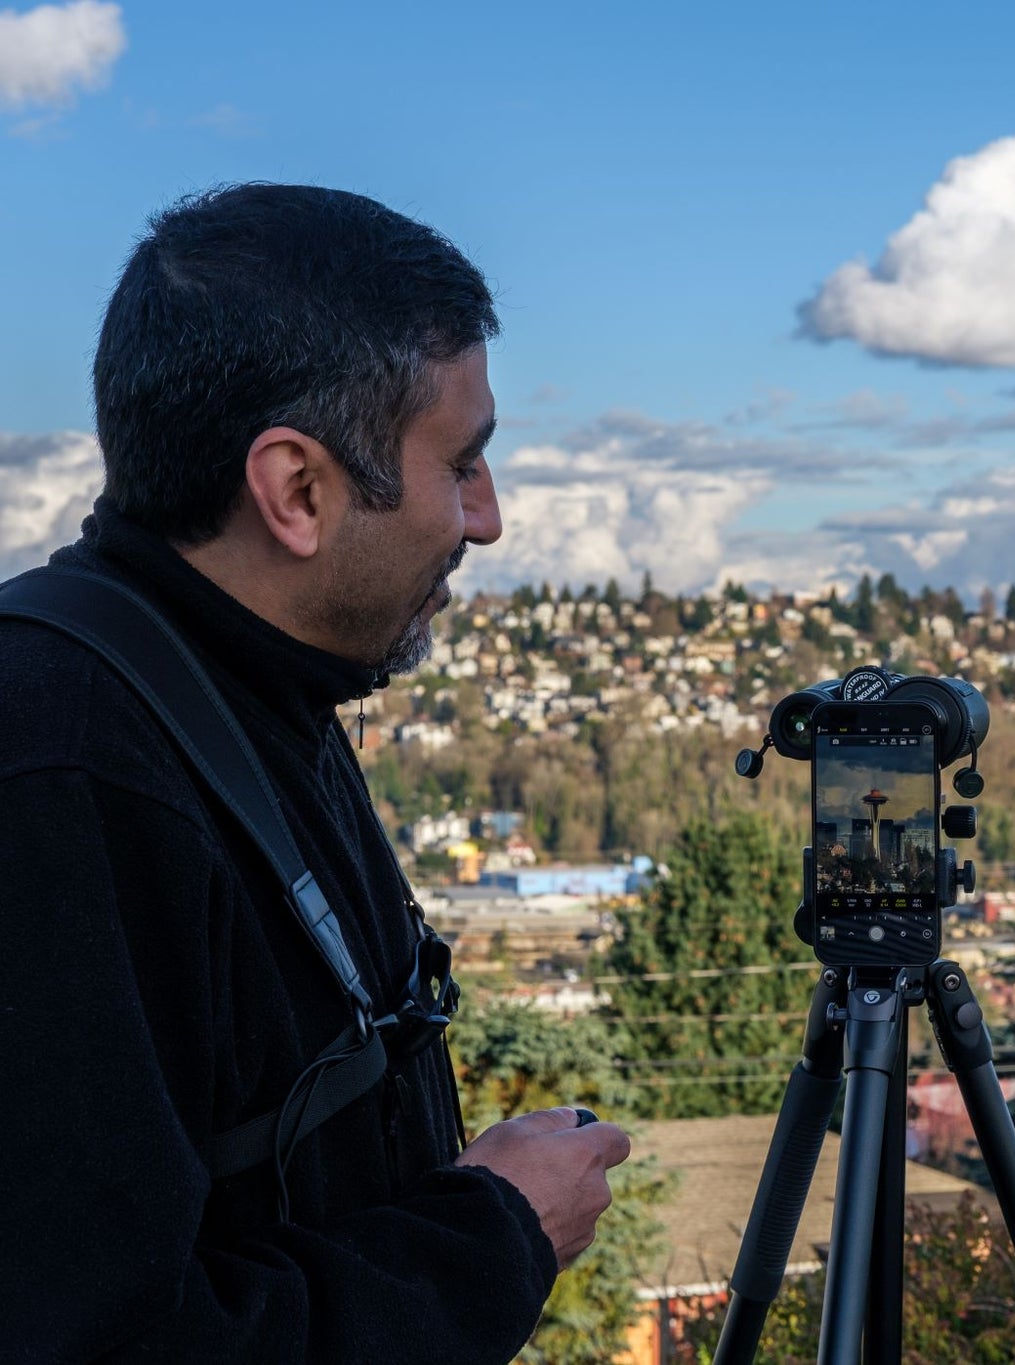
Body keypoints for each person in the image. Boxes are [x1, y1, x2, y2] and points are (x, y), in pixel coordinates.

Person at [0, 184, 631, 1362]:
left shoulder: (236, 683)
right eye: (464, 462)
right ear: (297, 490)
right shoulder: (62, 775)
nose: (488, 519)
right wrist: (493, 1235)